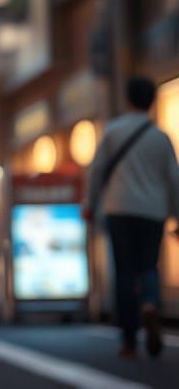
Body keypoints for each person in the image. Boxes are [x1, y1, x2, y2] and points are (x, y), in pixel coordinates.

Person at [82, 76, 179, 359]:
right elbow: (174, 179)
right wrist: (177, 215)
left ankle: (128, 340)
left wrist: (90, 203)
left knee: (124, 271)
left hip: (119, 209)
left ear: (128, 99)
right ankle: (150, 303)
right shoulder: (161, 138)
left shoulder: (113, 131)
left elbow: (97, 171)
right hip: (152, 211)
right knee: (149, 265)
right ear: (152, 101)